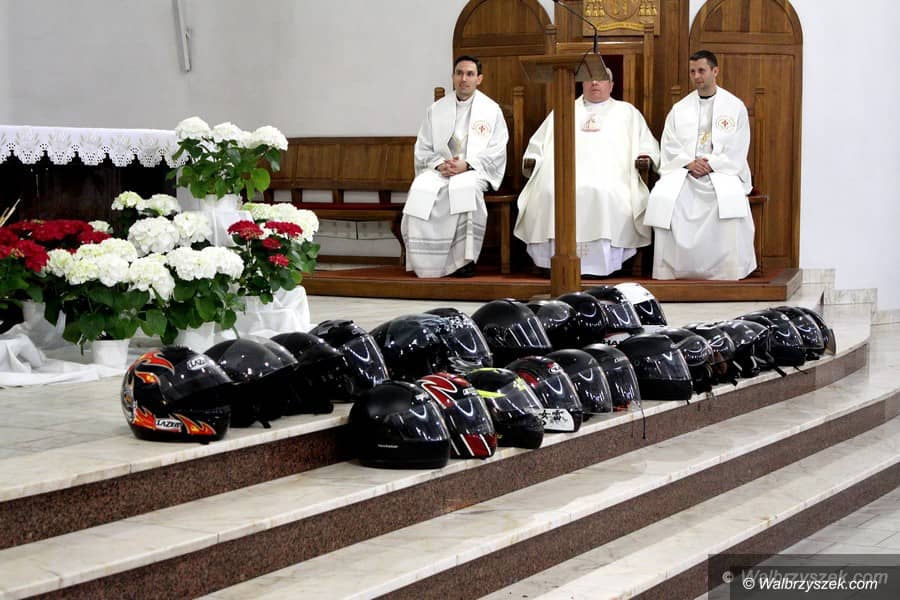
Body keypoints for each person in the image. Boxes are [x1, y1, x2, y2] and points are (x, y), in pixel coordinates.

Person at [513, 69, 659, 277]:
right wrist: (533, 158)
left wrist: (646, 157)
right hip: (562, 172)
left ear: (611, 85)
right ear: (582, 84)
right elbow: (538, 143)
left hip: (612, 174)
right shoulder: (564, 109)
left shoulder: (627, 112)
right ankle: (553, 262)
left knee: (604, 193)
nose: (595, 83)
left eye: (601, 79)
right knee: (549, 192)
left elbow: (647, 145)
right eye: (589, 79)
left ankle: (602, 265)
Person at [644, 50, 755, 280]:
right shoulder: (680, 109)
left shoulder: (735, 107)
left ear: (715, 71)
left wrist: (712, 164)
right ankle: (675, 269)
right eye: (692, 71)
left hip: (722, 171)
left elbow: (738, 145)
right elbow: (669, 144)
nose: (696, 76)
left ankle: (726, 269)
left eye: (701, 71)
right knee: (666, 198)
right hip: (686, 171)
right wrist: (689, 163)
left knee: (729, 200)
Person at [401, 55, 508, 278]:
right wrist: (440, 164)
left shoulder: (491, 110)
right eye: (459, 73)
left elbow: (497, 149)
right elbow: (423, 147)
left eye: (470, 74)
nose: (464, 79)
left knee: (466, 190)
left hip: (472, 170)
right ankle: (424, 262)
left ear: (479, 79)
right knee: (420, 187)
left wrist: (467, 164)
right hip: (440, 169)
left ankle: (463, 262)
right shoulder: (436, 109)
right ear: (453, 77)